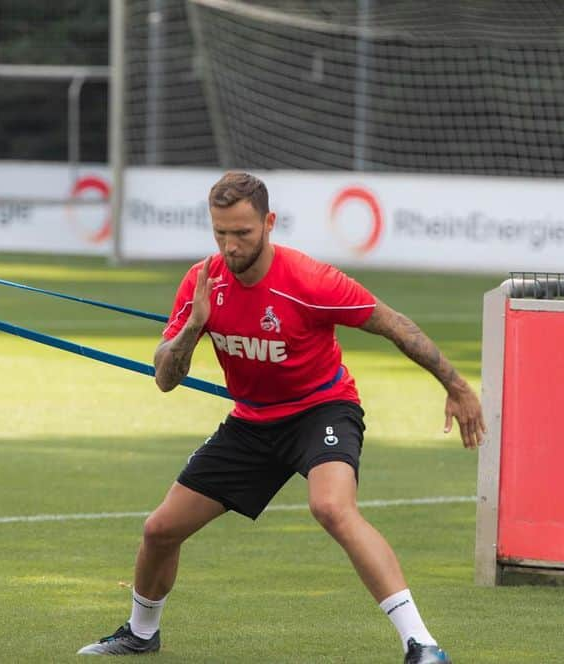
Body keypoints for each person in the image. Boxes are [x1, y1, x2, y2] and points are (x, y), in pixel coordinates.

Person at [77, 172, 484, 663]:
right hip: (252, 423)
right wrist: (194, 326)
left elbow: (393, 324)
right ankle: (141, 634)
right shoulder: (203, 282)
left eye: (242, 233)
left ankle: (421, 644)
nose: (230, 246)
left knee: (332, 508)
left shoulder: (309, 281)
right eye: (220, 232)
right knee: (159, 530)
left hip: (322, 410)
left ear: (269, 223)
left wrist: (457, 386)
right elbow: (165, 378)